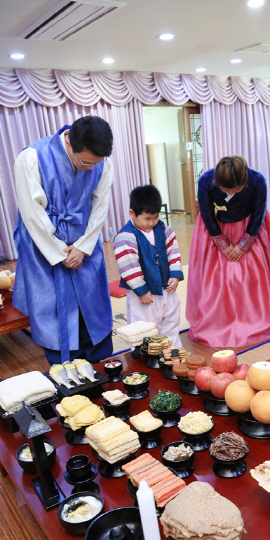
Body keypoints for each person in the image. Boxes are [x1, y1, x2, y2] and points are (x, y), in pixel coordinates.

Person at [13, 115, 114, 364]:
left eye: (96, 163)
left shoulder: (101, 162)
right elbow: (31, 214)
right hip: (43, 245)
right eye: (86, 162)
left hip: (84, 243)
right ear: (69, 142)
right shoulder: (32, 157)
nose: (91, 168)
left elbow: (99, 207)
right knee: (54, 309)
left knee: (92, 302)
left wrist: (82, 247)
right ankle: (63, 369)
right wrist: (60, 253)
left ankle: (98, 364)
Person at [186, 155, 270, 347]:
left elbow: (259, 212)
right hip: (216, 229)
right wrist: (222, 243)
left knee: (253, 276)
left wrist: (244, 244)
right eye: (225, 189)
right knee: (217, 279)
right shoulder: (205, 181)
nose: (230, 192)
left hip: (249, 228)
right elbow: (206, 213)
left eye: (236, 189)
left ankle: (254, 318)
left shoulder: (257, 179)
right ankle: (217, 321)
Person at [113, 185, 184, 347]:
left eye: (156, 217)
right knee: (144, 327)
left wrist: (175, 274)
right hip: (144, 295)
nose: (152, 222)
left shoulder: (164, 229)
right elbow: (128, 266)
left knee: (171, 320)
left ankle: (172, 350)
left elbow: (173, 252)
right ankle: (146, 358)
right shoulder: (126, 236)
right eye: (147, 218)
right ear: (132, 213)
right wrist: (142, 290)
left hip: (167, 289)